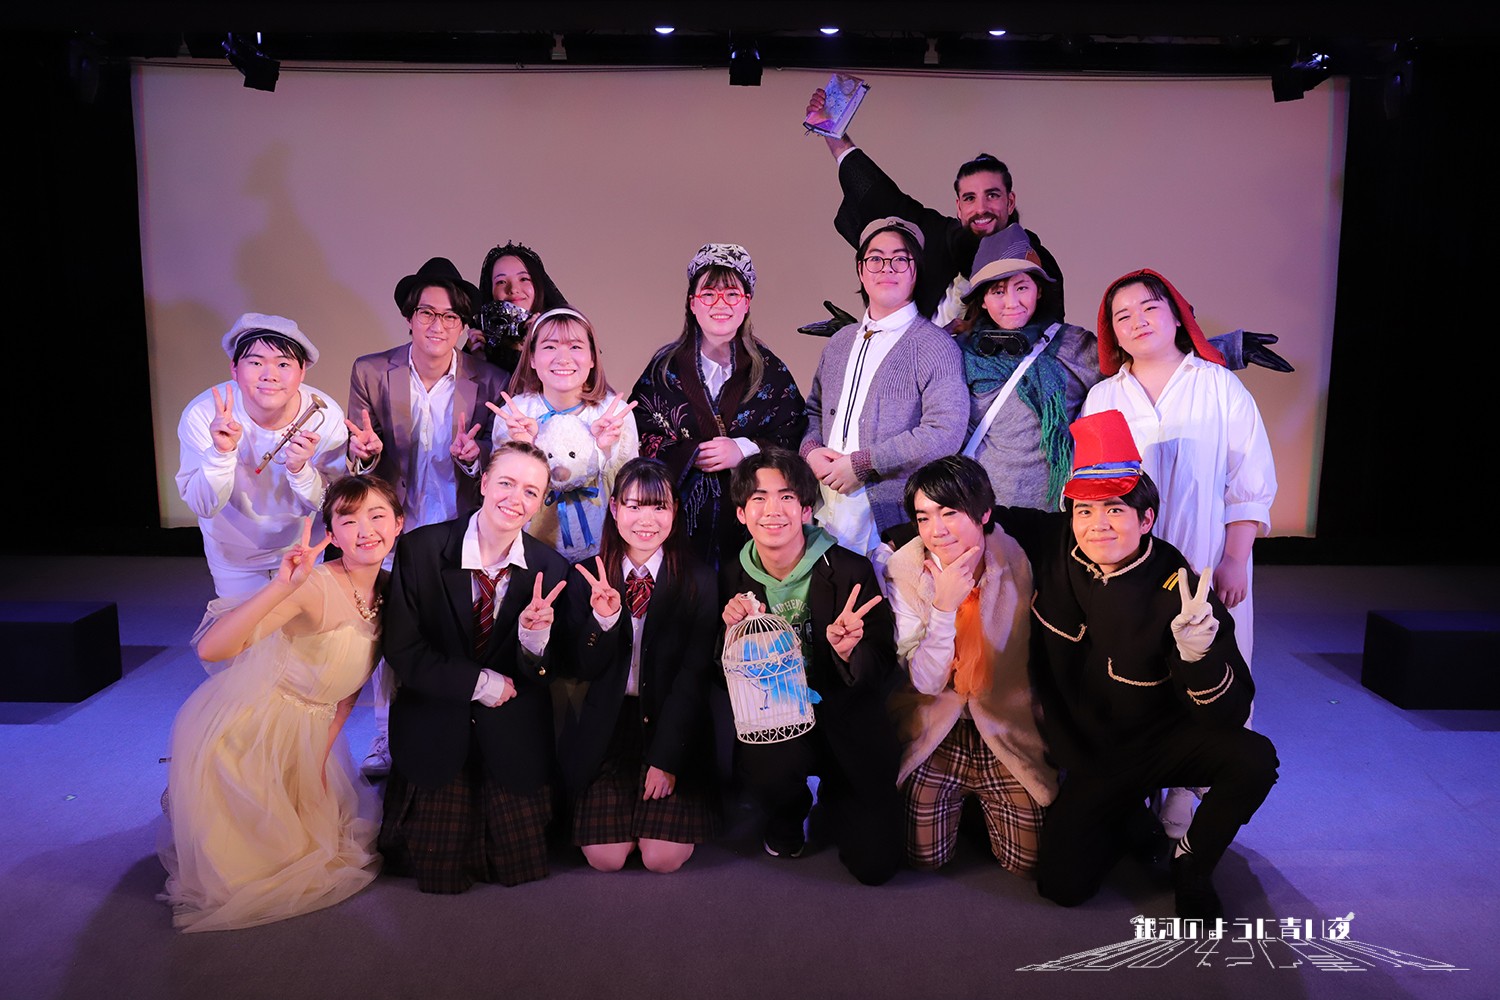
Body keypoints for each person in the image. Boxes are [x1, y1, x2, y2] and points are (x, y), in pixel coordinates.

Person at [993, 410, 1278, 920]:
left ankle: (1192, 864)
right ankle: (1128, 820)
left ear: (1146, 520)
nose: (1097, 525)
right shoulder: (1054, 540)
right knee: (1062, 887)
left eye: (1115, 510)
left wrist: (1198, 655)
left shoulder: (1179, 585)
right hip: (1090, 758)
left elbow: (1229, 714)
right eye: (1084, 510)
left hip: (1157, 745)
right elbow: (975, 515)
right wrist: (898, 540)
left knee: (1254, 758)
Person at [158, 475, 404, 932]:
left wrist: (317, 759)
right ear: (332, 534)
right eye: (349, 520)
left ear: (399, 524)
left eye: (377, 516)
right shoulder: (314, 586)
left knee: (317, 833)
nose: (366, 530)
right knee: (258, 870)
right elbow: (213, 649)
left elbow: (347, 693)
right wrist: (282, 587)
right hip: (252, 729)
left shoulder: (392, 592)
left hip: (312, 727)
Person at [377, 441, 572, 894]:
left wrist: (533, 638)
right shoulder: (421, 549)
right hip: (438, 715)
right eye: (506, 483)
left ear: (541, 502)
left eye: (530, 491)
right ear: (483, 482)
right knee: (439, 872)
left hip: (510, 725)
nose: (515, 499)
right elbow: (403, 649)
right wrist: (478, 683)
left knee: (520, 866)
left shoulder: (551, 568)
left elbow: (547, 671)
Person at [346, 256, 511, 777]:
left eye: (450, 317)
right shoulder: (371, 371)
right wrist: (366, 455)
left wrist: (475, 459)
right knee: (387, 632)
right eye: (427, 313)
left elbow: (501, 458)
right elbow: (358, 453)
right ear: (410, 318)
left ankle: (457, 736)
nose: (438, 325)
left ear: (462, 326)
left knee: (454, 631)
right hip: (395, 526)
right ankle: (383, 736)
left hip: (461, 524)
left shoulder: (491, 380)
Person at [720, 448, 903, 886]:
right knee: (770, 772)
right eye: (759, 498)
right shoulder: (731, 577)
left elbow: (882, 664)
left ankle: (835, 800)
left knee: (875, 865)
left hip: (844, 715)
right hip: (776, 721)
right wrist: (730, 635)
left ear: (805, 509)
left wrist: (849, 653)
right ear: (742, 514)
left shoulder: (850, 569)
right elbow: (717, 668)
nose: (773, 510)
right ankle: (790, 807)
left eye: (786, 497)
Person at [884, 455, 1057, 875]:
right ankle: (963, 806)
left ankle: (977, 812)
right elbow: (926, 682)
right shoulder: (904, 570)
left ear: (983, 513)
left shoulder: (1018, 560)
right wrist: (943, 607)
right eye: (923, 518)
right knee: (923, 859)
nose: (936, 530)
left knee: (1029, 863)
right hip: (938, 723)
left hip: (1005, 720)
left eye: (950, 513)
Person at [562, 458, 721, 873]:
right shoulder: (586, 576)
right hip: (609, 728)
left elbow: (693, 677)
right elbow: (582, 668)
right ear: (615, 508)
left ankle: (653, 817)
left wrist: (666, 759)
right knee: (606, 858)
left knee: (662, 858)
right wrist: (603, 621)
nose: (646, 520)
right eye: (634, 506)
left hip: (671, 723)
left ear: (674, 511)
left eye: (659, 506)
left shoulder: (700, 581)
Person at [804, 85, 1063, 326]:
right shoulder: (942, 237)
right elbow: (880, 196)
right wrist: (830, 128)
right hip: (922, 358)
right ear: (959, 207)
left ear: (1010, 201)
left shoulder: (1034, 261)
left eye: (992, 195)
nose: (981, 208)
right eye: (970, 198)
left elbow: (1051, 339)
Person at [630, 243, 808, 567]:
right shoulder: (664, 369)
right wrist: (689, 454)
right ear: (692, 303)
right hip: (677, 527)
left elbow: (794, 437)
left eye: (732, 295)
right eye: (709, 294)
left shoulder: (771, 371)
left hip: (750, 528)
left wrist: (743, 450)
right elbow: (638, 435)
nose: (720, 304)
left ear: (747, 303)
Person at [801, 217, 967, 565]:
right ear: (861, 270)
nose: (886, 268)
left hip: (891, 521)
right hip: (824, 510)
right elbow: (813, 408)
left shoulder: (934, 345)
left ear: (915, 271)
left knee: (884, 597)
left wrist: (863, 464)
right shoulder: (840, 342)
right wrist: (811, 450)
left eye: (900, 259)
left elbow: (945, 432)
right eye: (875, 259)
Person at [176, 313, 349, 598]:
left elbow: (332, 502)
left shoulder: (326, 415)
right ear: (234, 369)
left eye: (283, 364)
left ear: (302, 371)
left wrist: (301, 470)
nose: (270, 375)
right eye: (256, 363)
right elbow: (203, 505)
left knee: (299, 625)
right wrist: (220, 453)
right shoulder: (203, 414)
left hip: (302, 548)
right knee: (244, 626)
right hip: (233, 555)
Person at [954, 224, 1098, 510]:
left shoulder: (1075, 345)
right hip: (981, 512)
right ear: (982, 300)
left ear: (1039, 290)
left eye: (1021, 287)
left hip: (1054, 515)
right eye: (997, 291)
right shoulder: (959, 353)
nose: (1012, 303)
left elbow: (1132, 376)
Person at [487, 307, 639, 563]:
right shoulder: (515, 413)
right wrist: (525, 449)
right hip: (528, 553)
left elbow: (629, 494)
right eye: (550, 347)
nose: (563, 358)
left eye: (575, 347)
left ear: (592, 358)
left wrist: (605, 452)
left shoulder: (614, 414)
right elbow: (500, 494)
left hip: (601, 553)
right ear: (532, 358)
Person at [469, 241, 571, 374]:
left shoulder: (567, 335)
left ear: (538, 285)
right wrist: (477, 365)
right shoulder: (479, 343)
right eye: (501, 282)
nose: (513, 289)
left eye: (524, 279)